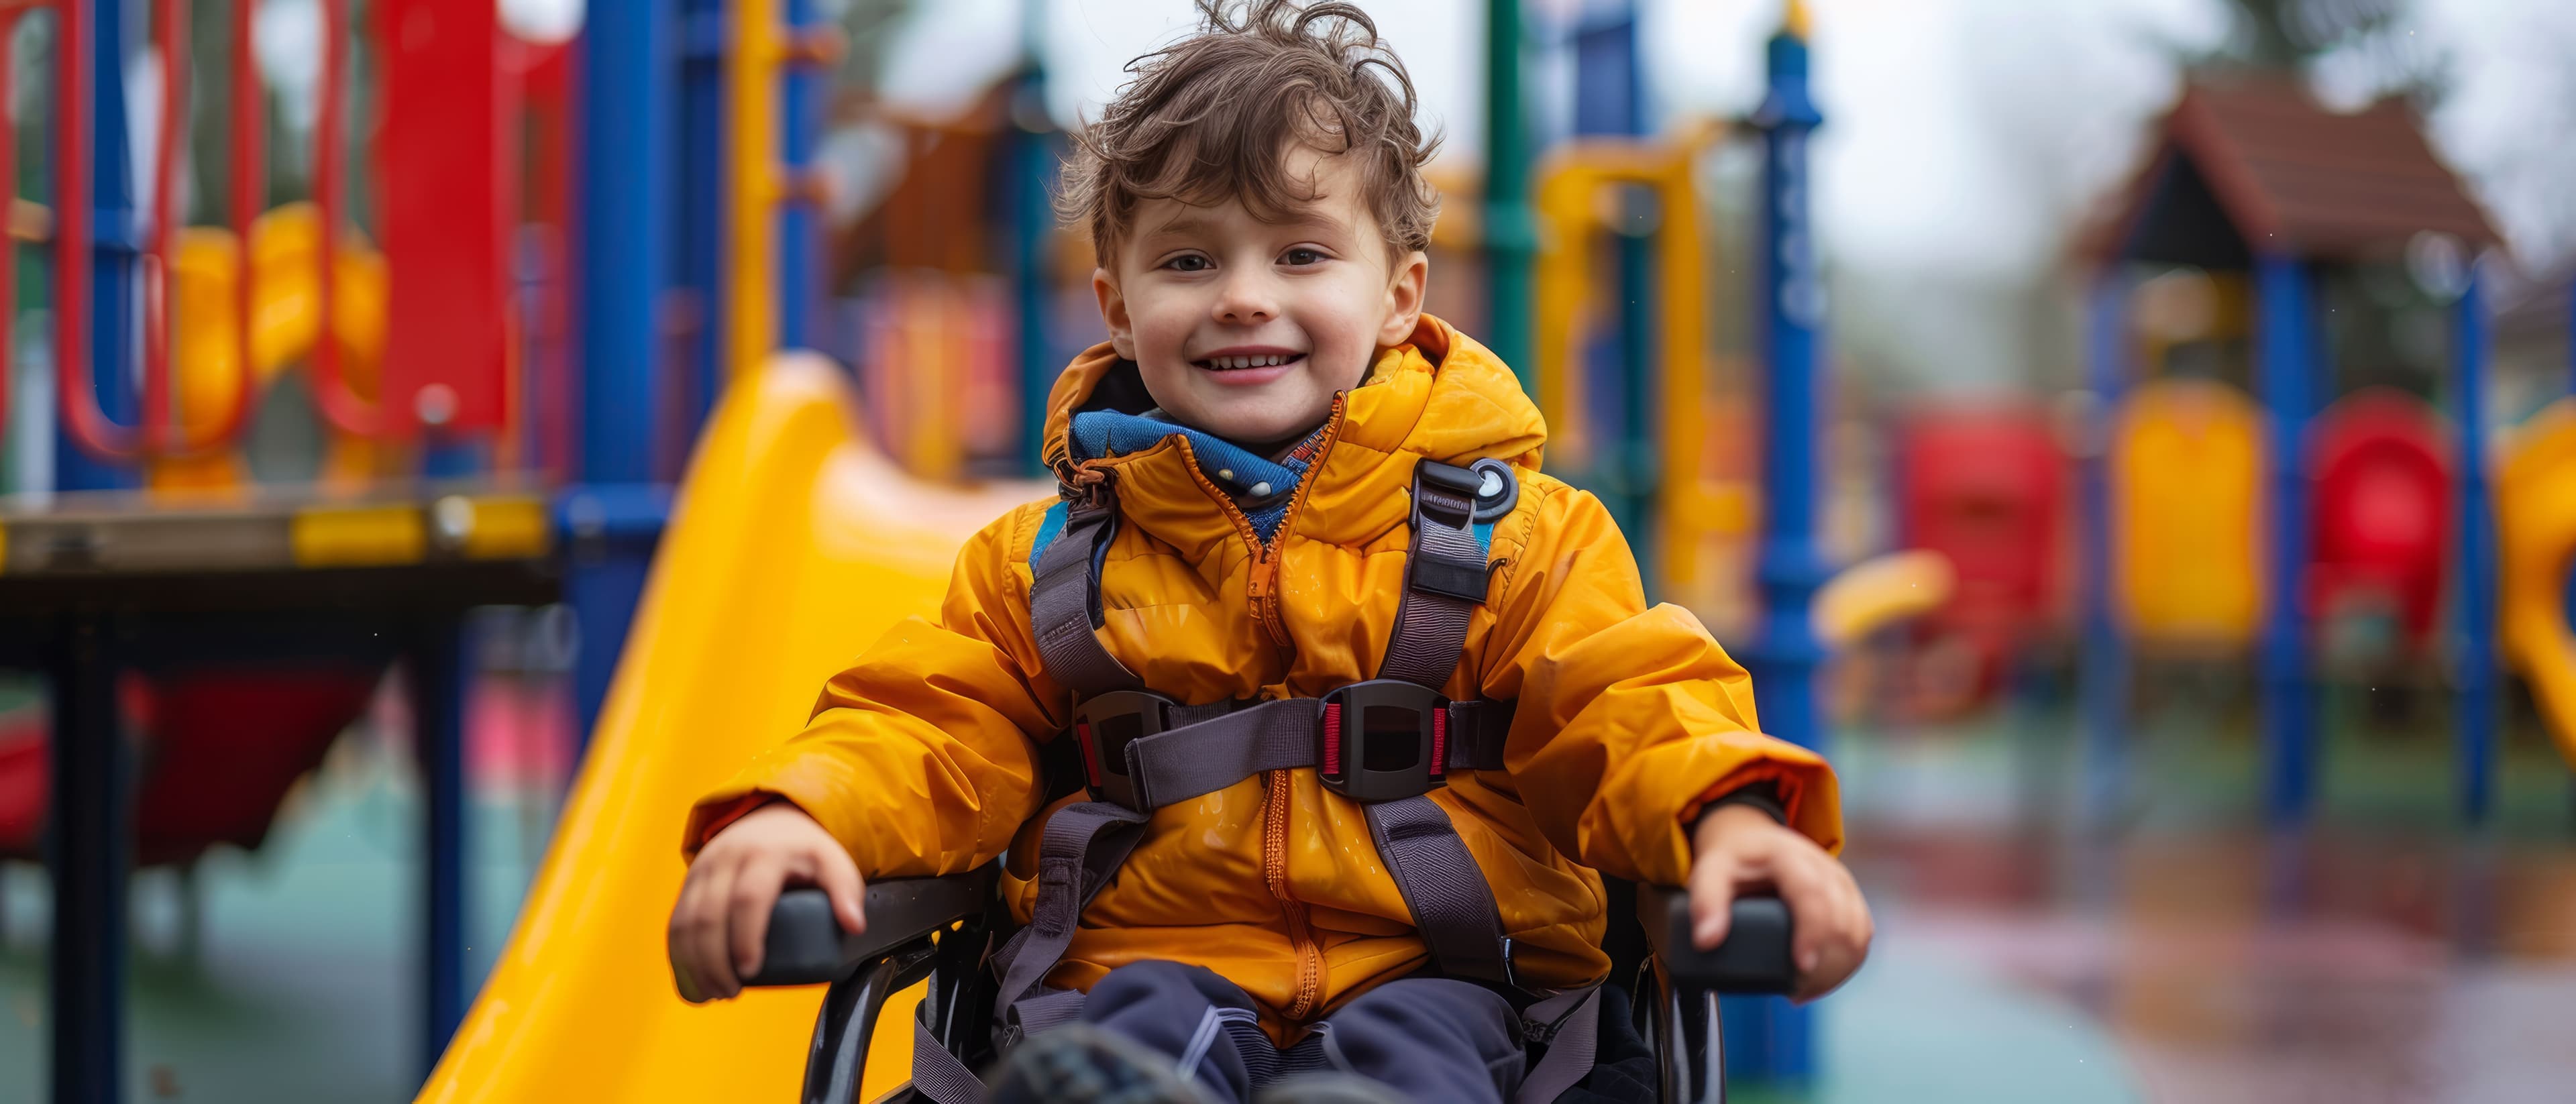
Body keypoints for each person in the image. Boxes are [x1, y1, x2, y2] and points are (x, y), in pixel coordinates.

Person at [667, 3, 1871, 1101]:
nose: (1244, 297)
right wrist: (805, 816)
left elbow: (1634, 696)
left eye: (1300, 254)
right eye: (1190, 260)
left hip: (1453, 977)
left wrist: (1734, 820)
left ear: (1399, 296)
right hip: (1140, 972)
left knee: (1429, 1046)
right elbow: (923, 729)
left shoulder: (1523, 540)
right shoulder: (1043, 567)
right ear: (1119, 304)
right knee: (1130, 1027)